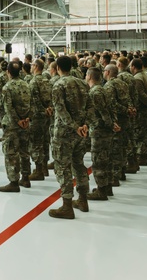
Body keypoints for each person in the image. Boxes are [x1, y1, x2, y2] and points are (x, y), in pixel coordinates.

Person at [47, 56, 89, 219]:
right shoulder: (82, 83)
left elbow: (61, 111)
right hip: (80, 133)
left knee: (63, 168)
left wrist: (74, 126)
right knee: (79, 165)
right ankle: (83, 200)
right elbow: (90, 106)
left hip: (64, 133)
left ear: (58, 68)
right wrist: (84, 125)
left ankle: (67, 205)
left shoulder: (58, 85)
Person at [0, 61, 32, 192]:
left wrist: (18, 120)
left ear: (8, 72)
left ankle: (14, 181)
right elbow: (31, 103)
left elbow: (8, 107)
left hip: (13, 125)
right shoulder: (26, 84)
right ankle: (26, 177)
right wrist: (27, 118)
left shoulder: (7, 87)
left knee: (11, 152)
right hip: (25, 123)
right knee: (25, 151)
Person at [86, 67, 119, 201]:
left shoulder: (95, 92)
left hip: (100, 130)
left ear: (89, 76)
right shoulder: (103, 89)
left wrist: (111, 124)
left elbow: (103, 112)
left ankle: (101, 190)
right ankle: (107, 187)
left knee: (98, 161)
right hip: (106, 129)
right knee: (107, 159)